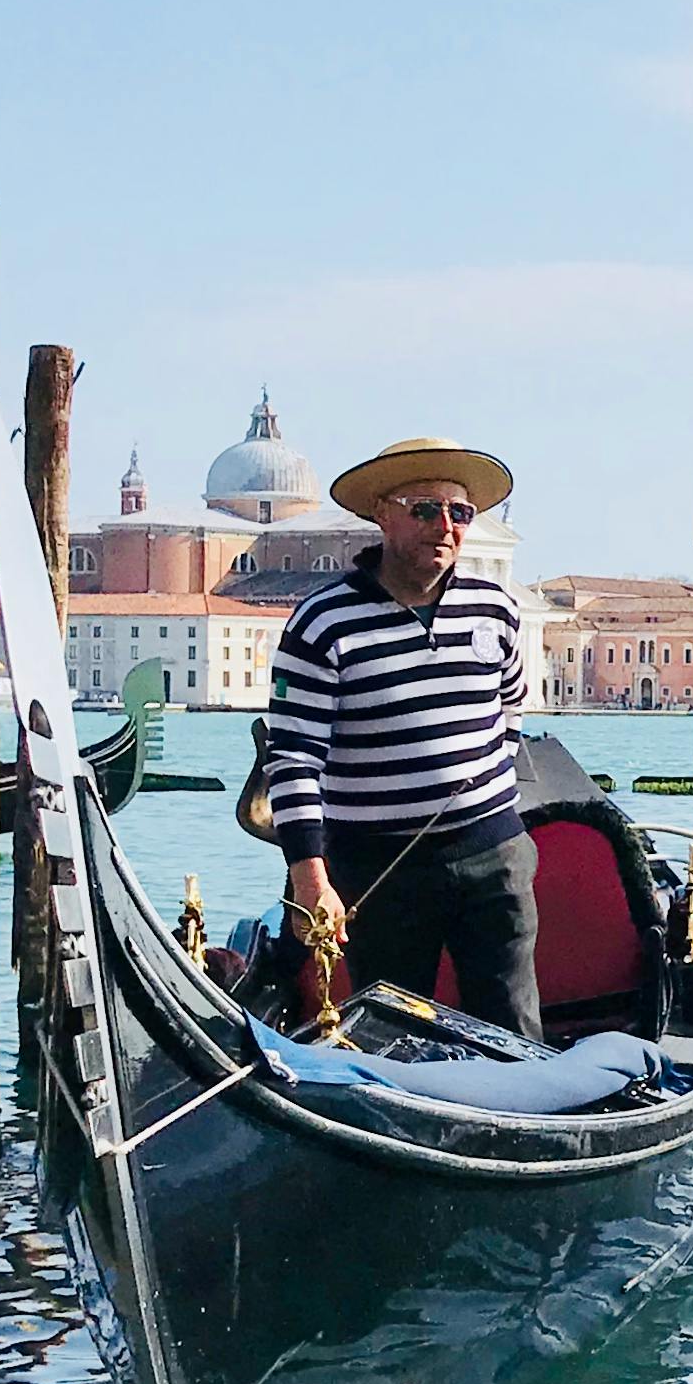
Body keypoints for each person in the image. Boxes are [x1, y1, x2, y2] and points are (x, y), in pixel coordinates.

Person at [264, 437, 541, 1037]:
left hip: (494, 855)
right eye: (423, 509)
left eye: (459, 513)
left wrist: (491, 805)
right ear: (382, 515)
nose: (444, 526)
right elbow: (293, 760)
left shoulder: (497, 609)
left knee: (514, 1027)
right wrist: (312, 879)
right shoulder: (322, 623)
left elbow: (511, 711)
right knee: (393, 1034)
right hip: (378, 864)